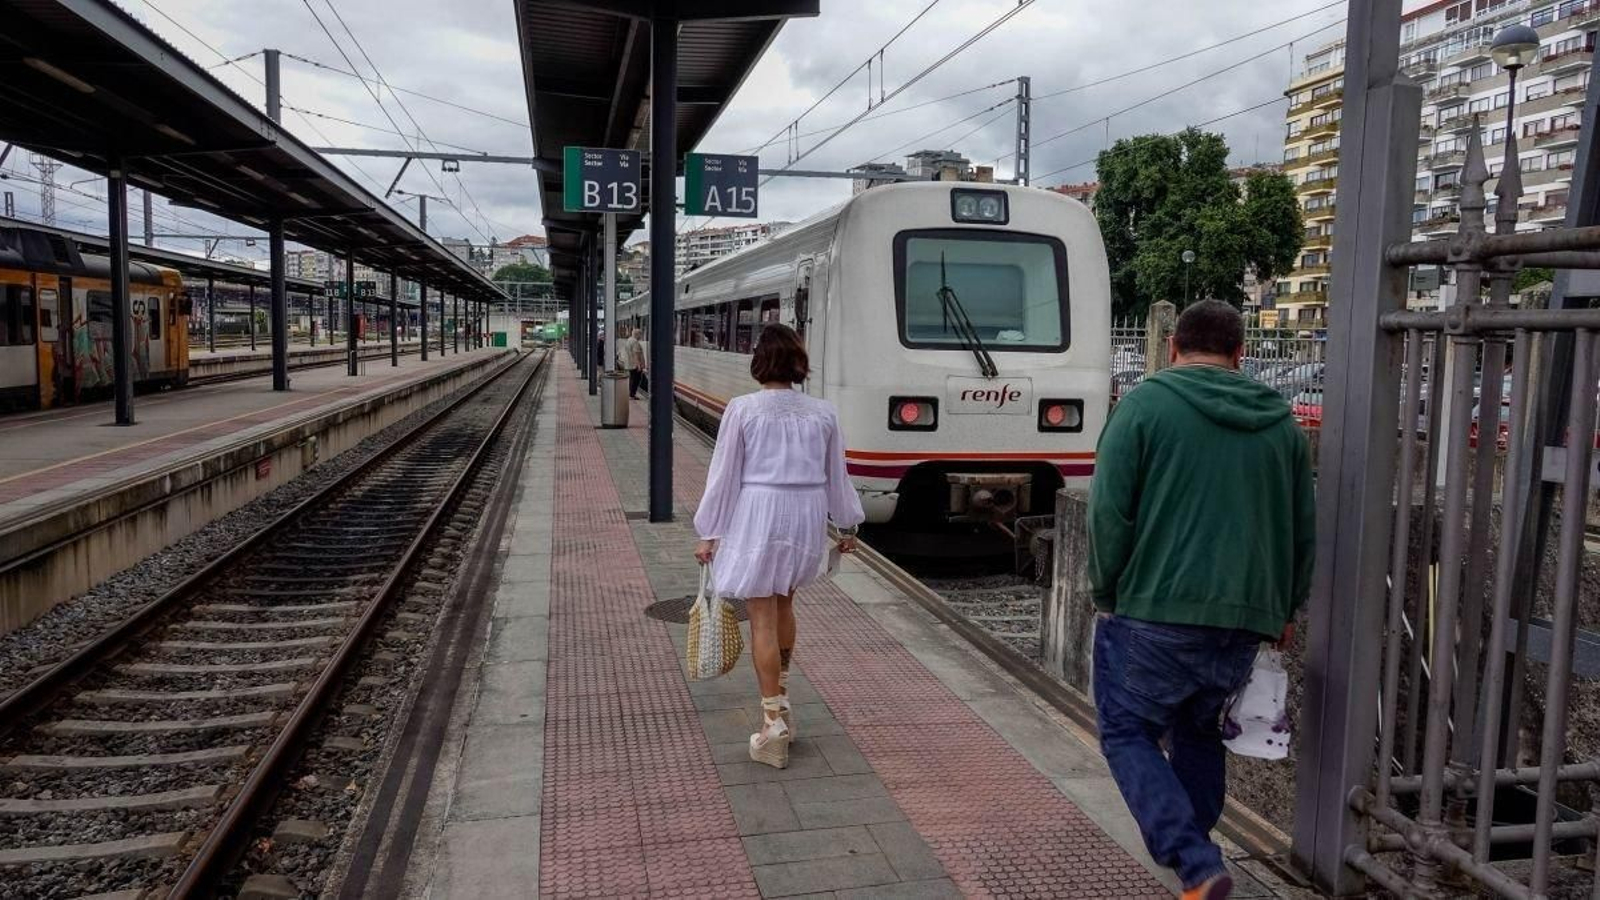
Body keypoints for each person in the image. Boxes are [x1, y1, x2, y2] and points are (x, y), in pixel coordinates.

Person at [1087, 300, 1314, 900]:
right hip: (1244, 619)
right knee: (1198, 730)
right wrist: (1285, 609)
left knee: (1125, 730)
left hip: (1153, 610)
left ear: (1172, 348)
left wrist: (1105, 589)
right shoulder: (1281, 423)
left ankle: (1196, 862)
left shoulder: (1142, 406)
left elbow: (1109, 512)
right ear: (1240, 355)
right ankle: (1198, 853)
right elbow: (1300, 526)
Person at [693, 324, 864, 769]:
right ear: (798, 363)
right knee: (785, 604)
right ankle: (783, 701)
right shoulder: (823, 412)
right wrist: (848, 524)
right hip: (805, 513)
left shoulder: (743, 409)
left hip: (759, 509)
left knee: (761, 617)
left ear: (759, 362)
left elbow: (724, 474)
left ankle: (772, 724)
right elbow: (836, 474)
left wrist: (709, 531)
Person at [620, 325, 647, 399]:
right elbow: (636, 354)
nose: (641, 336)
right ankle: (632, 394)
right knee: (636, 380)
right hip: (634, 365)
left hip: (629, 364)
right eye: (640, 334)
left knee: (632, 379)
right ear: (637, 334)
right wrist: (638, 365)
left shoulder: (629, 340)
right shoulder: (635, 342)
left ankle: (630, 393)